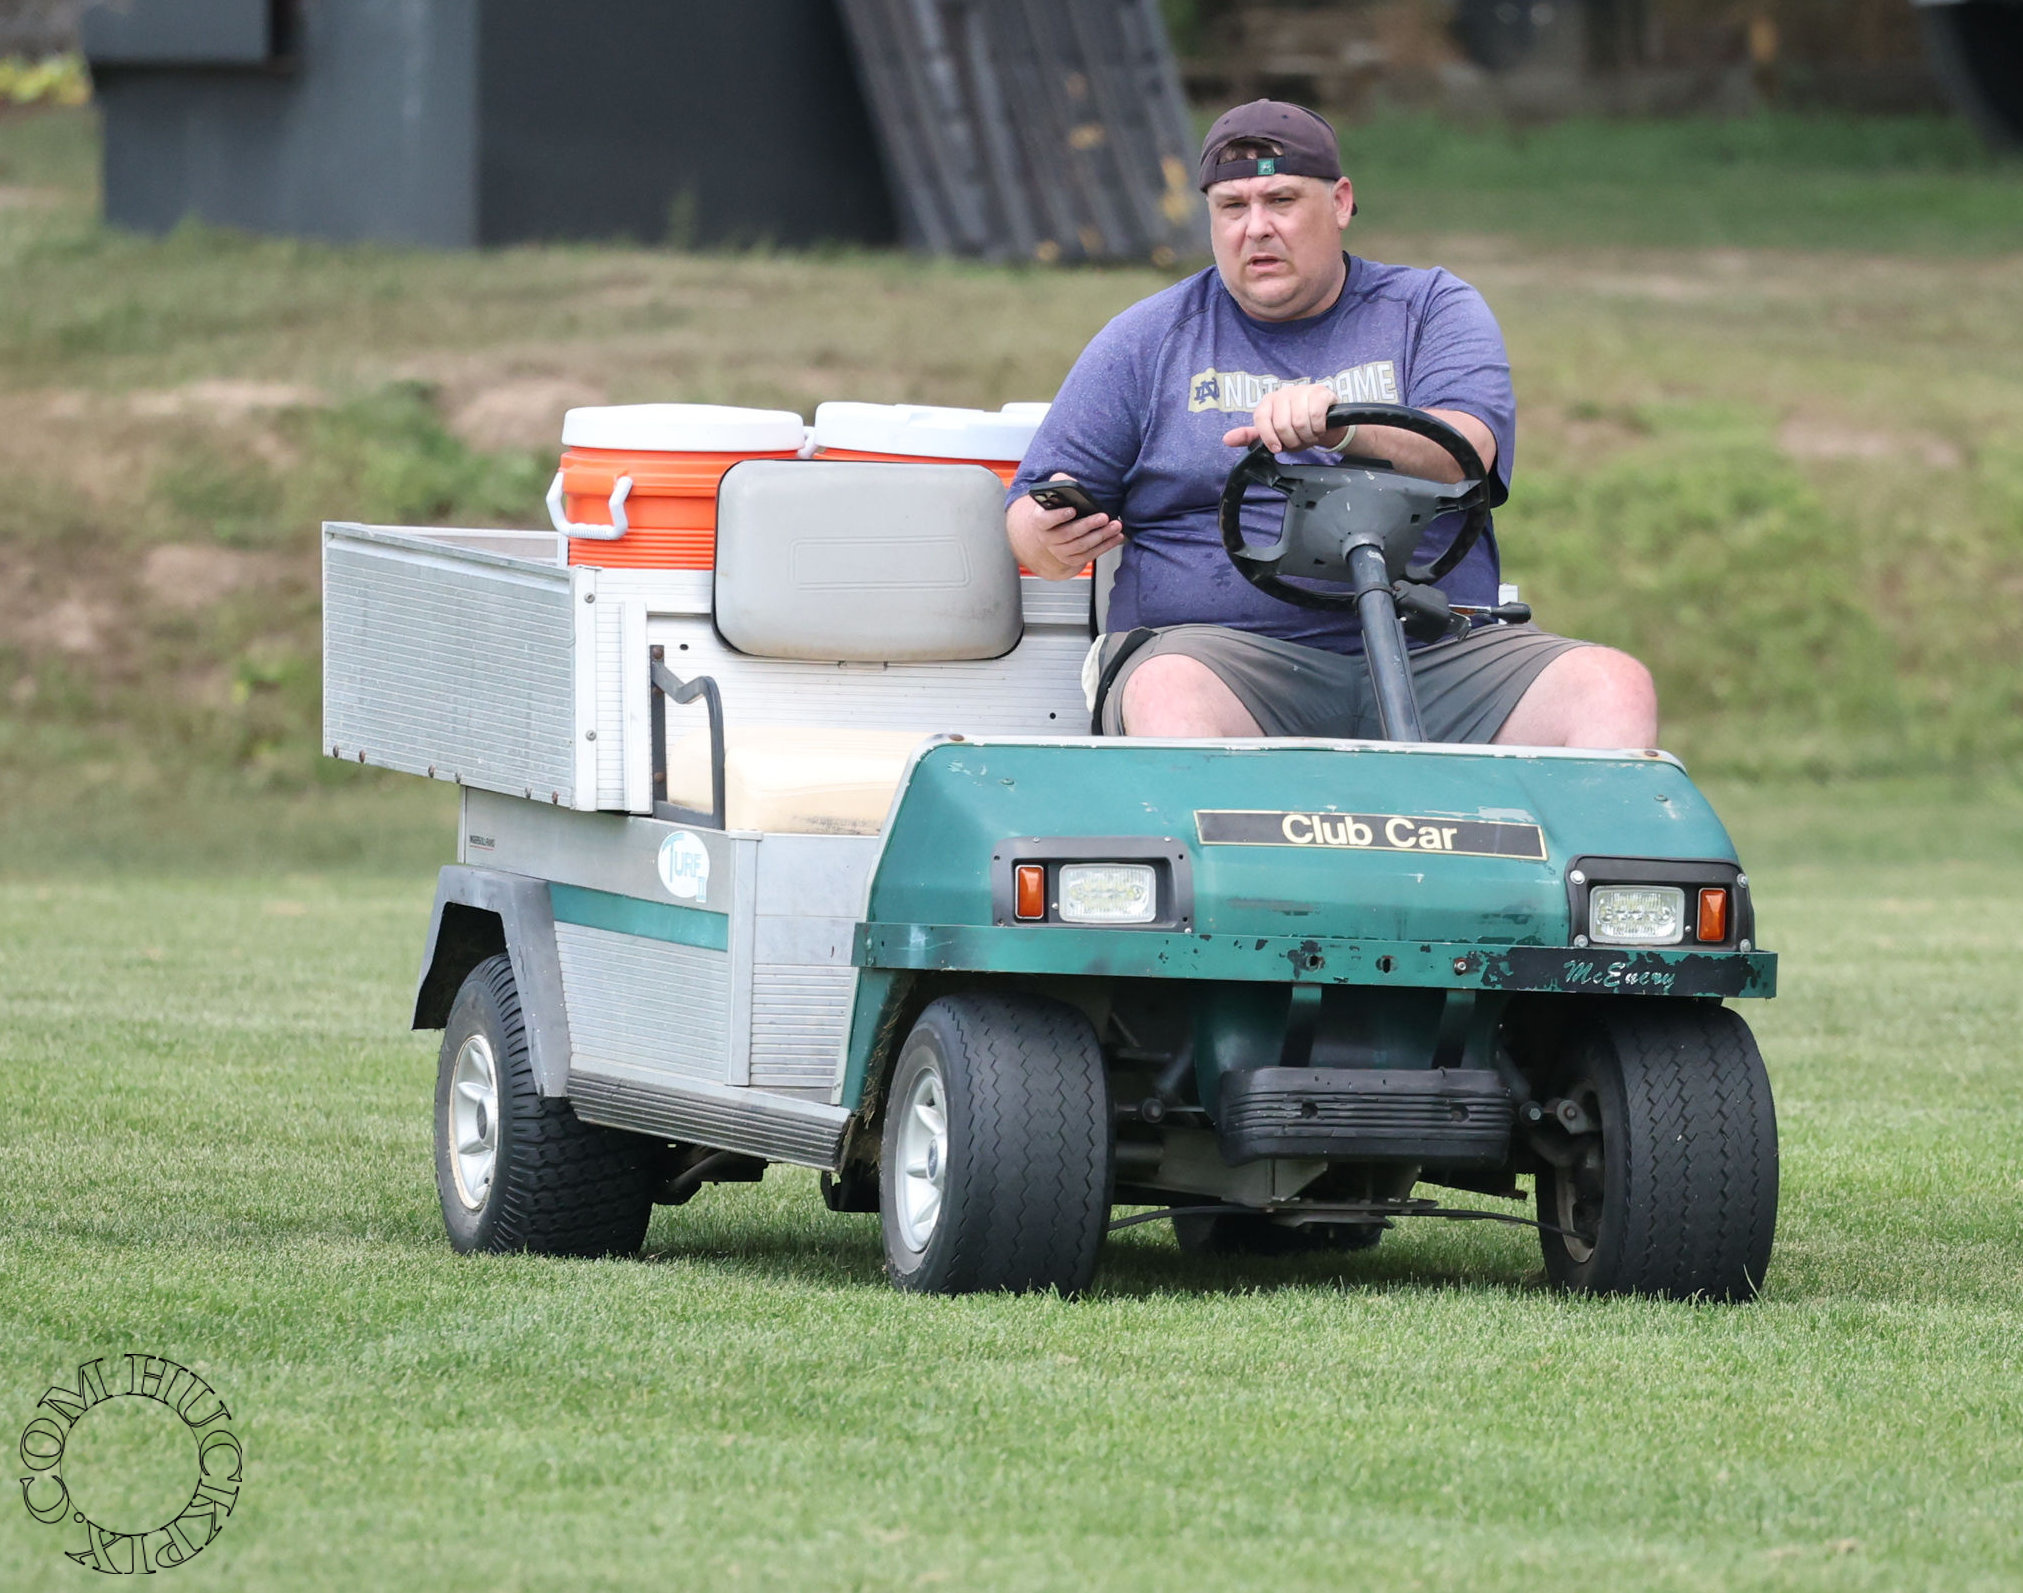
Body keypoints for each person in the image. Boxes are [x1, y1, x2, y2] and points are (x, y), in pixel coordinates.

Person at [1005, 99, 1656, 748]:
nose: (1256, 228)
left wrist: (1340, 429)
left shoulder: (1430, 309)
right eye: (1232, 207)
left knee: (1611, 687)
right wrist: (1045, 538)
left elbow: (1466, 449)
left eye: (1281, 200)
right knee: (1166, 691)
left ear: (1340, 203)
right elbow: (1029, 510)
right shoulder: (1147, 339)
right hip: (1222, 665)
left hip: (1434, 653)